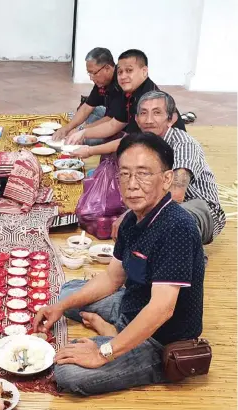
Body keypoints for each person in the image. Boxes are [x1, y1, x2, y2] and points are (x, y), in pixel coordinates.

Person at [33, 132, 205, 395]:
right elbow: (112, 279)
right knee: (66, 294)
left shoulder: (177, 227)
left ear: (167, 179)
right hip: (132, 305)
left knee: (67, 374)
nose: (132, 184)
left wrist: (104, 352)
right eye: (125, 174)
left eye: (144, 173)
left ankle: (125, 345)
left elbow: (161, 310)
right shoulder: (131, 220)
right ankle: (115, 330)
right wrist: (61, 307)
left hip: (160, 337)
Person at [74, 91, 225, 244]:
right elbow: (120, 147)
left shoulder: (183, 144)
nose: (149, 120)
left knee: (170, 220)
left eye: (157, 113)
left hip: (200, 209)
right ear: (137, 120)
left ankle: (189, 258)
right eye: (144, 113)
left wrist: (130, 215)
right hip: (159, 201)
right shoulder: (143, 141)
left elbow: (177, 194)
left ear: (171, 119)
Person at [63, 49, 186, 146]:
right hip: (139, 139)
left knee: (109, 152)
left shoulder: (145, 99)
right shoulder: (128, 90)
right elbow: (113, 124)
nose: (123, 76)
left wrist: (88, 146)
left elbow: (128, 141)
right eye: (120, 72)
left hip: (163, 151)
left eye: (129, 71)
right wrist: (81, 132)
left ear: (144, 71)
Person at [53, 47, 121, 145]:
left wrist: (82, 131)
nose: (91, 78)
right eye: (89, 73)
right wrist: (67, 128)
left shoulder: (122, 83)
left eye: (93, 73)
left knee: (88, 139)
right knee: (93, 111)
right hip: (109, 114)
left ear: (107, 68)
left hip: (120, 124)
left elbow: (112, 119)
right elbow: (87, 107)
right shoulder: (102, 82)